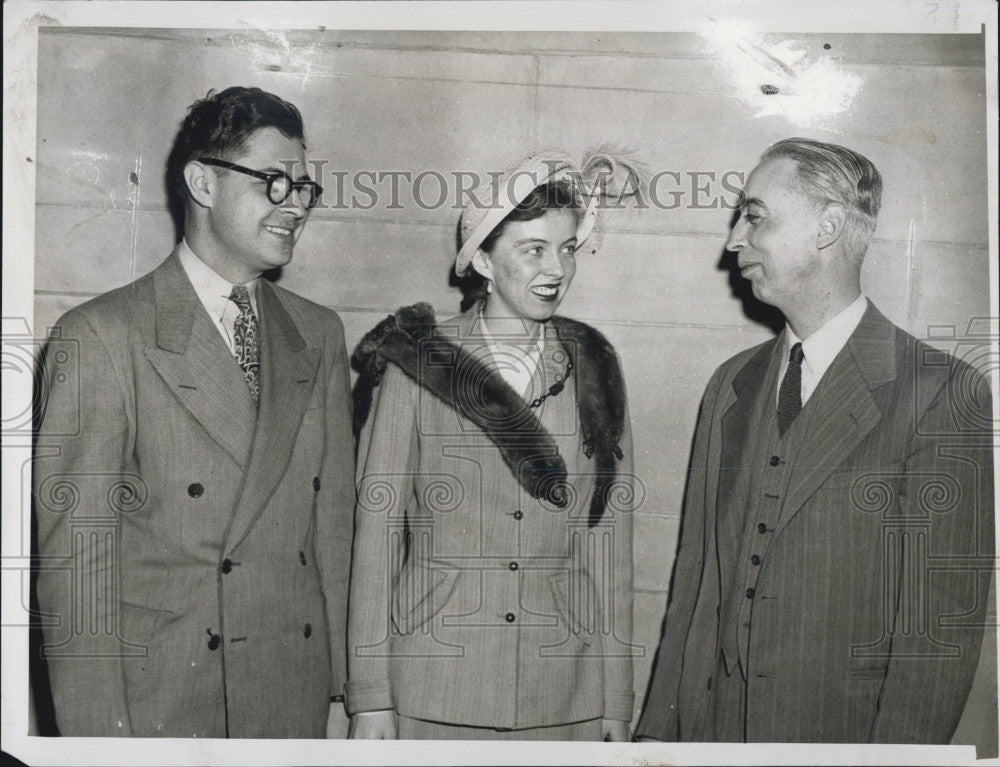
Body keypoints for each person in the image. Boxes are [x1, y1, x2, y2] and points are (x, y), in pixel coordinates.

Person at [635, 138, 994, 743]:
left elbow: (937, 637)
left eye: (755, 217)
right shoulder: (731, 383)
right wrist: (656, 743)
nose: (733, 241)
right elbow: (694, 586)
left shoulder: (940, 392)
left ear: (827, 227)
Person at [33, 86, 355, 738]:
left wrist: (352, 695)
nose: (296, 204)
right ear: (203, 182)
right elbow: (77, 573)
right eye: (274, 181)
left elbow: (336, 534)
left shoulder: (318, 333)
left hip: (288, 698)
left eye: (304, 187)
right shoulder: (99, 335)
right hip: (163, 704)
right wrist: (98, 741)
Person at [346, 152, 637, 740]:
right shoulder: (421, 361)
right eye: (533, 249)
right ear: (482, 259)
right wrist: (370, 697)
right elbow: (376, 532)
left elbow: (610, 543)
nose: (556, 268)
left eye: (568, 248)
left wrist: (614, 700)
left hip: (564, 685)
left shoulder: (595, 365)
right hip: (434, 676)